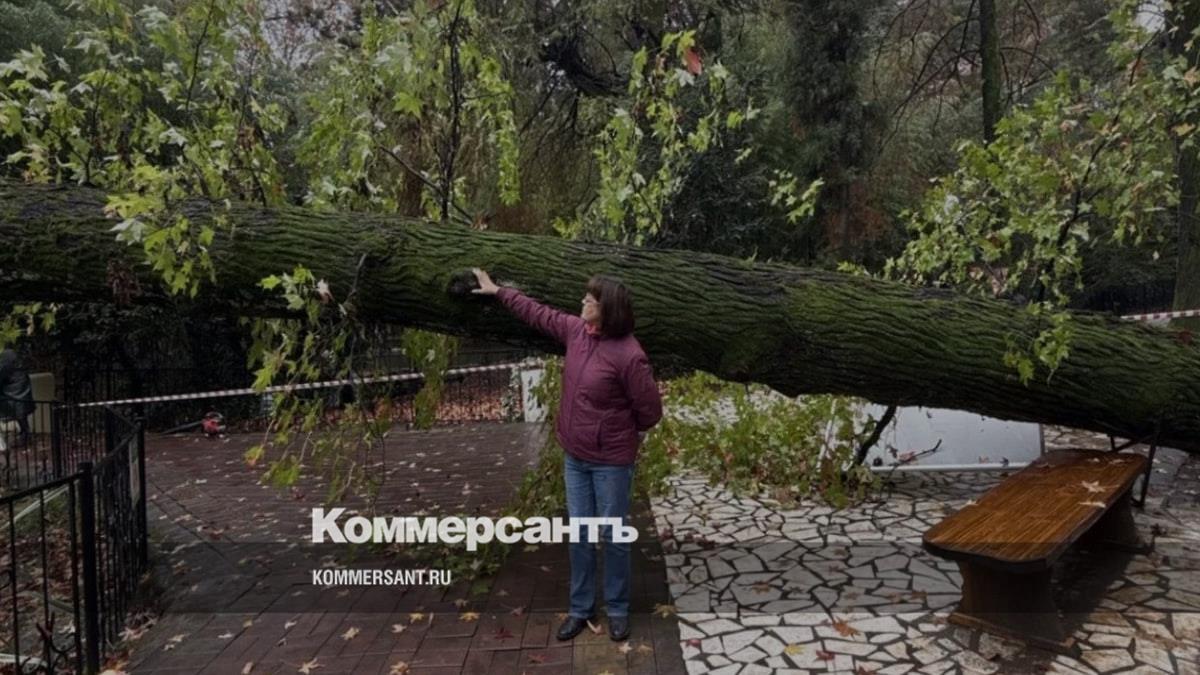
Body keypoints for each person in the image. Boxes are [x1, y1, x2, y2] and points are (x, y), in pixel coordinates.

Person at [470, 268, 663, 643]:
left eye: (590, 300)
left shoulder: (629, 355)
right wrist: (497, 291)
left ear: (607, 309)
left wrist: (615, 433)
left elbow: (650, 412)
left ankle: (619, 610)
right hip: (575, 456)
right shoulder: (577, 332)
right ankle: (581, 608)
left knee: (614, 536)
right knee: (580, 534)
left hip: (611, 463)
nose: (583, 302)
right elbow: (537, 313)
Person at [0, 349, 35, 445]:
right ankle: (25, 435)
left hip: (14, 395)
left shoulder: (6, 363)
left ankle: (25, 436)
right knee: (22, 417)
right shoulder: (19, 364)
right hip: (21, 393)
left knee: (21, 416)